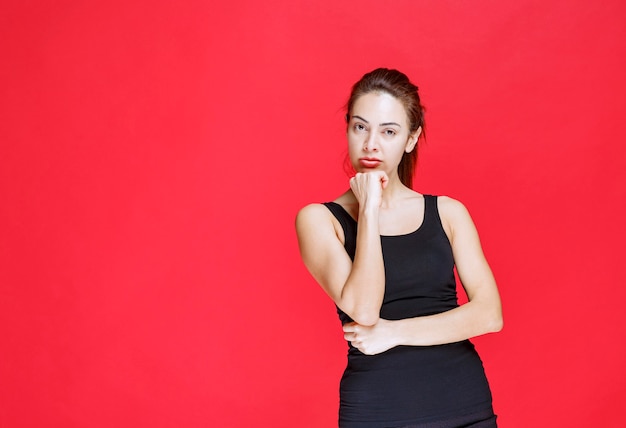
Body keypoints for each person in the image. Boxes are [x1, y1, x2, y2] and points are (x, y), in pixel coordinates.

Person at [295, 68, 503, 428]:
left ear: (410, 139)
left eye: (388, 132)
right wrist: (370, 208)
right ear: (347, 129)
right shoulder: (318, 220)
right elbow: (364, 308)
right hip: (378, 410)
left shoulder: (448, 213)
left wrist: (394, 333)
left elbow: (489, 315)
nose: (371, 143)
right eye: (360, 127)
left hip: (463, 402)